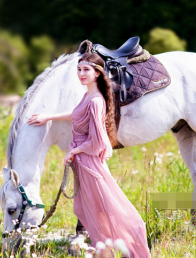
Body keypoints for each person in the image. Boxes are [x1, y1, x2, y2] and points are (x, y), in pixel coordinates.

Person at [27, 53, 151, 258]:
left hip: (89, 161)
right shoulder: (88, 96)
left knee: (104, 205)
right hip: (83, 160)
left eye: (86, 70)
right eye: (79, 69)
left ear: (97, 73)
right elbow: (76, 115)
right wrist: (49, 116)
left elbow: (98, 142)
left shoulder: (95, 102)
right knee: (89, 208)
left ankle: (128, 242)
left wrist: (73, 151)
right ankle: (102, 248)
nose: (81, 74)